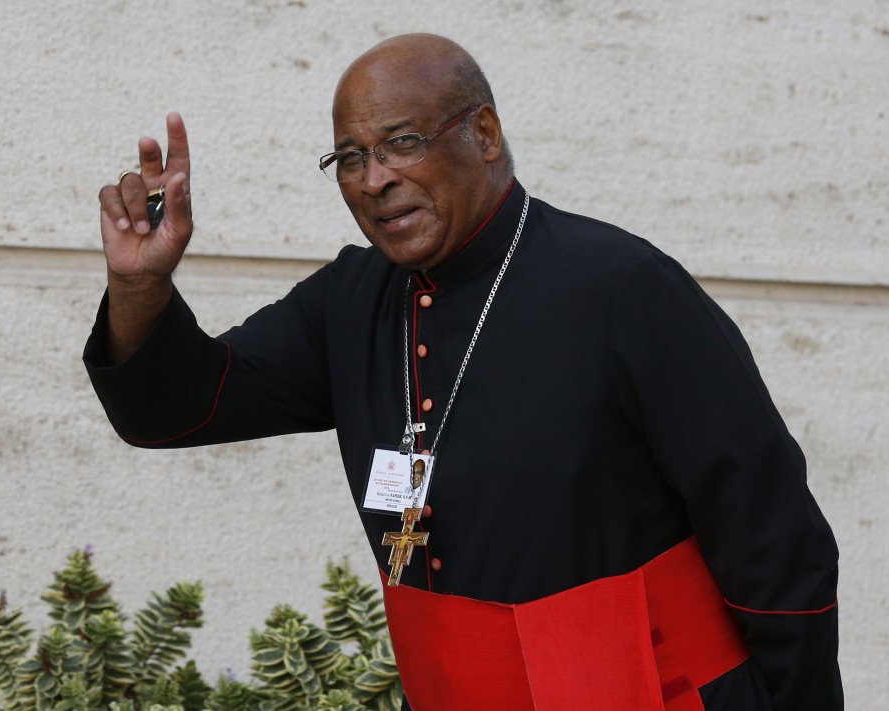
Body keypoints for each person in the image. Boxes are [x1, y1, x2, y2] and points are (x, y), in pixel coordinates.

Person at [85, 33, 842, 711]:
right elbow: (175, 407)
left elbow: (773, 534)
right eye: (350, 157)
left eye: (400, 142)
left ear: (483, 134)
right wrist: (140, 284)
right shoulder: (350, 301)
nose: (374, 178)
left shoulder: (623, 287)